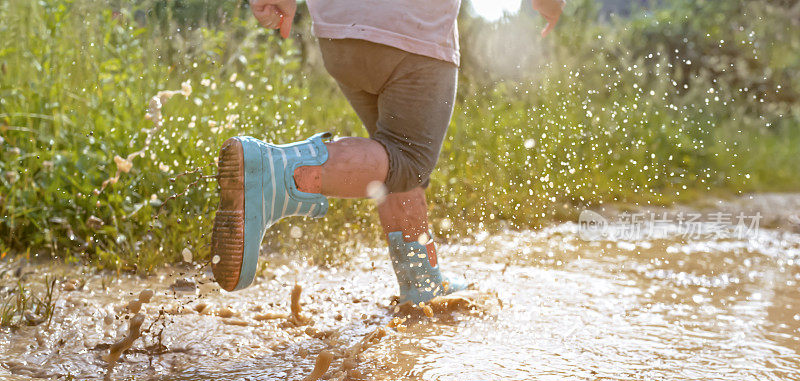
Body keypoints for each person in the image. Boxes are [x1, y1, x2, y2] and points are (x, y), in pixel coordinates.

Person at [211, 0, 565, 304]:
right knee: (409, 160)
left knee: (391, 156)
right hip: (412, 33)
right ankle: (273, 171)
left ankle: (421, 284)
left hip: (339, 34)